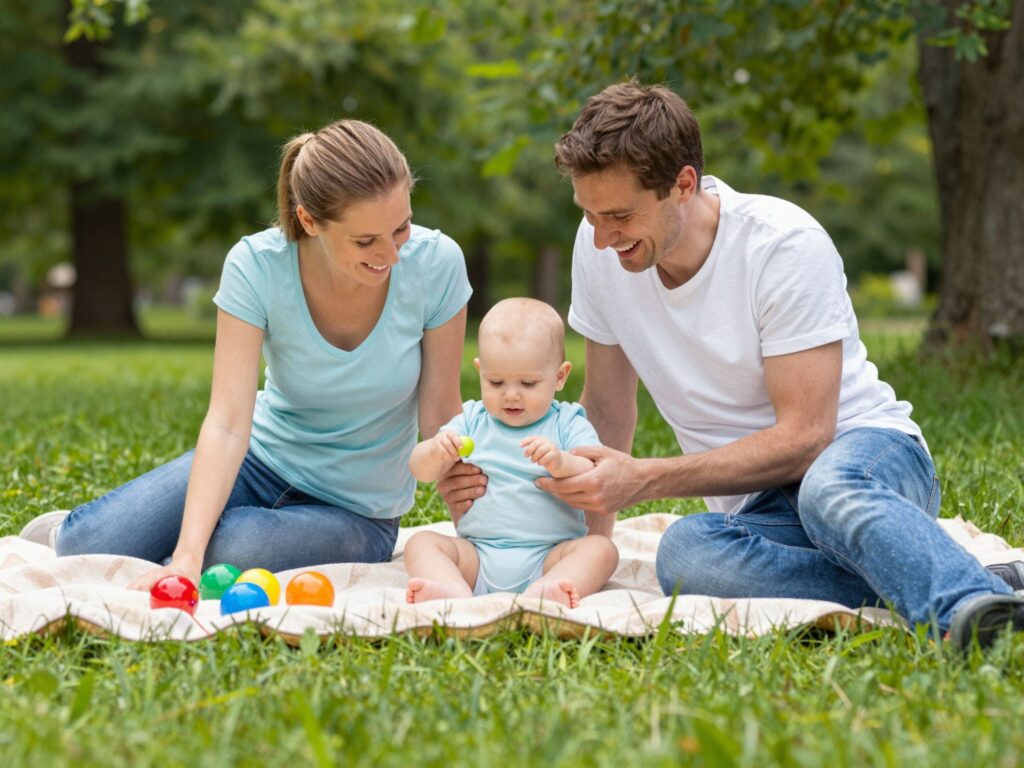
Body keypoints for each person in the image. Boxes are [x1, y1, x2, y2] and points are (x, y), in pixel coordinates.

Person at [440, 81, 1024, 650]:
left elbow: (806, 438)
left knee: (825, 490)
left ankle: (968, 609)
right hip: (758, 507)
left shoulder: (782, 246)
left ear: (684, 184)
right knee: (687, 556)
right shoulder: (602, 249)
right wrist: (585, 540)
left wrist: (644, 478)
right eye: (589, 215)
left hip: (864, 459)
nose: (600, 239)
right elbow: (608, 409)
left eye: (617, 215)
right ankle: (948, 575)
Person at [20, 119, 471, 592]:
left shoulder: (436, 265)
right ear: (309, 221)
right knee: (84, 545)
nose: (392, 254)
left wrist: (480, 540)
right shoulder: (256, 265)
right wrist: (186, 561)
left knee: (235, 547)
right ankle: (91, 530)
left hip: (356, 512)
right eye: (366, 241)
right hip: (257, 463)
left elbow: (442, 415)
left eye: (400, 228)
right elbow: (228, 421)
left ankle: (203, 534)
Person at [404, 298, 619, 608]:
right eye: (496, 382)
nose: (511, 394)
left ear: (560, 377)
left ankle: (547, 591)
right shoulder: (471, 420)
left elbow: (591, 468)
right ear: (480, 371)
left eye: (529, 383)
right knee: (421, 543)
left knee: (601, 550)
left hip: (551, 556)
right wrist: (435, 453)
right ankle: (452, 589)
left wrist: (561, 462)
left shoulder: (567, 422)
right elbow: (419, 470)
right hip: (478, 555)